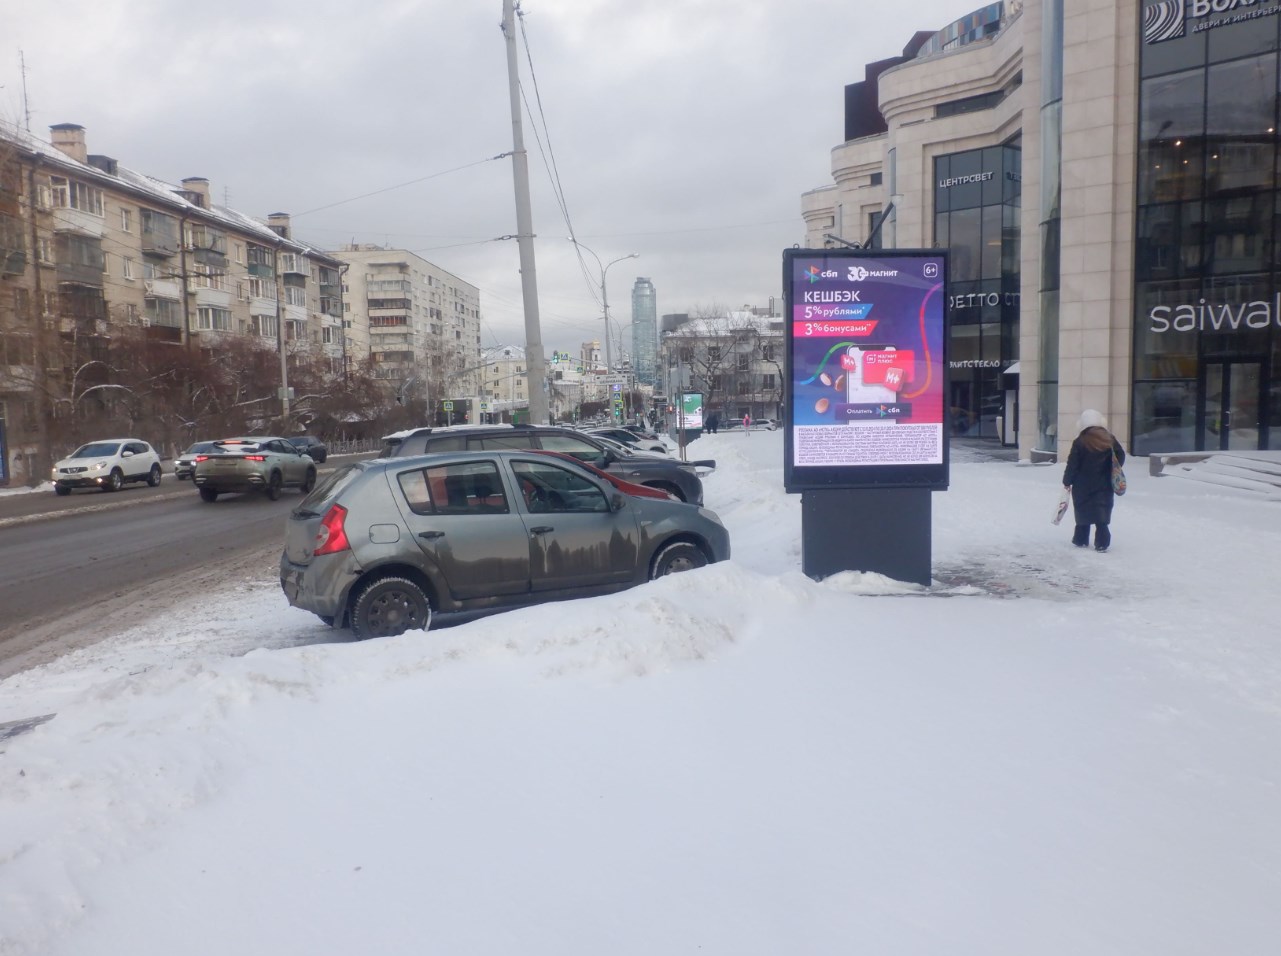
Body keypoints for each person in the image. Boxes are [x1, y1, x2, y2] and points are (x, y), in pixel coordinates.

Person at [1061, 409, 1125, 552]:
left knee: (1082, 510)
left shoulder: (1080, 441)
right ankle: (1102, 541)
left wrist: (1067, 480)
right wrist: (1113, 468)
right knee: (1101, 510)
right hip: (1104, 482)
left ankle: (1080, 538)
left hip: (1082, 483)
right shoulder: (1109, 439)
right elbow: (1120, 455)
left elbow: (1073, 463)